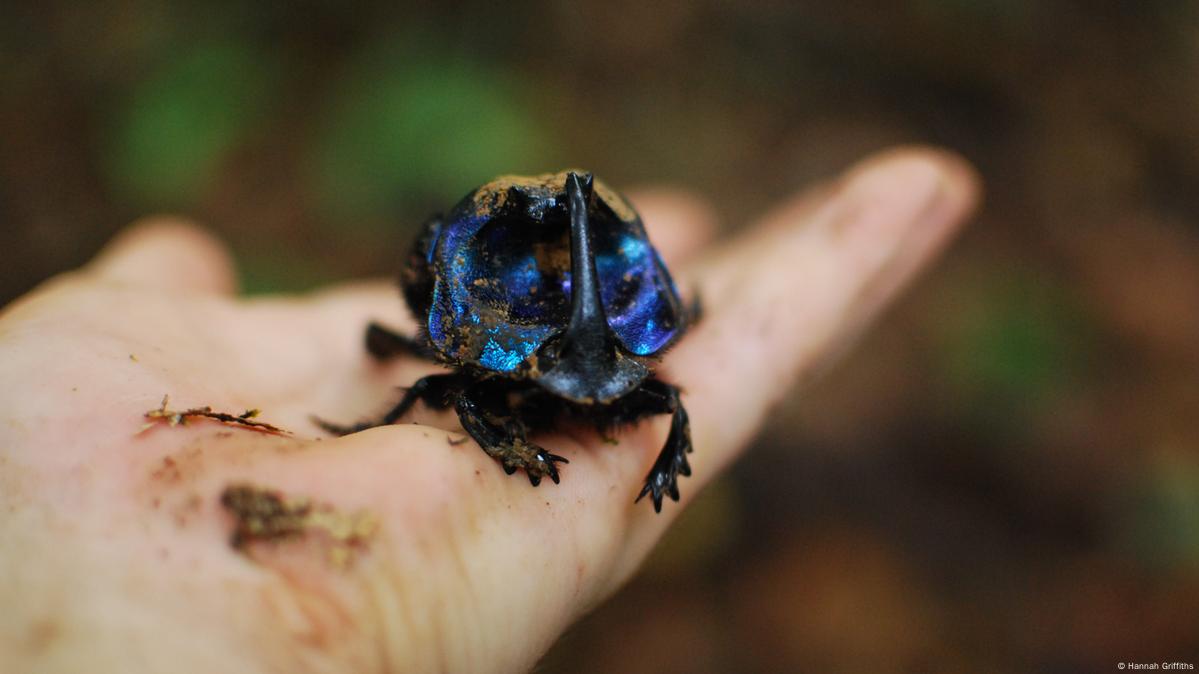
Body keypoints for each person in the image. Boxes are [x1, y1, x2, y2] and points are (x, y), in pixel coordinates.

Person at [0, 147, 978, 672]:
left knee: (656, 392)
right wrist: (507, 436)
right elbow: (442, 380)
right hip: (483, 304)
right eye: (558, 377)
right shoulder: (470, 351)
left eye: (610, 369)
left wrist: (661, 440)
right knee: (452, 369)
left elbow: (667, 398)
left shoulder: (637, 345)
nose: (593, 399)